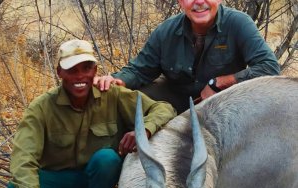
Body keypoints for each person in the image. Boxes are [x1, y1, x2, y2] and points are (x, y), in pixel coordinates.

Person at [7, 39, 176, 188]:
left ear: (95, 70)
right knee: (16, 187)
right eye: (72, 70)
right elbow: (22, 161)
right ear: (59, 72)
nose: (80, 77)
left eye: (86, 68)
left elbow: (164, 108)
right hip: (61, 183)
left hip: (98, 182)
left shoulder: (112, 95)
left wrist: (144, 128)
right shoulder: (41, 108)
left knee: (108, 159)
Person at [96, 0, 280, 114]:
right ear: (180, 2)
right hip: (176, 100)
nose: (199, 2)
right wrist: (116, 80)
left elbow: (269, 67)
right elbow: (139, 70)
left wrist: (217, 83)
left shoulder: (239, 23)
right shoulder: (166, 31)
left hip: (223, 103)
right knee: (123, 100)